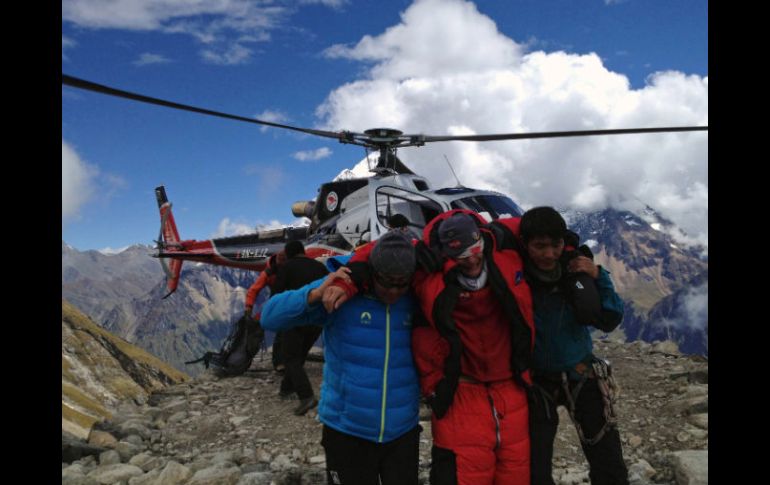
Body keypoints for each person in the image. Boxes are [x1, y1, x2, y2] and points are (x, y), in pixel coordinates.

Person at [325, 210, 535, 485]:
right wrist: (349, 278)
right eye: (460, 255)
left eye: (474, 249)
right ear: (446, 253)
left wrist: (574, 249)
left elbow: (542, 228)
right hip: (461, 391)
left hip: (510, 388)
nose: (471, 259)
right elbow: (383, 252)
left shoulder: (503, 243)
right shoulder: (427, 264)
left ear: (481, 238)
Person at [261, 231, 422, 485]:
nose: (393, 291)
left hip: (402, 433)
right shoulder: (340, 294)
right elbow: (269, 317)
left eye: (401, 283)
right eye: (386, 282)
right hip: (346, 433)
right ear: (371, 273)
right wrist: (314, 293)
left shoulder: (417, 296)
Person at [516, 206, 628, 485]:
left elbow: (609, 319)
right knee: (535, 470)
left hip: (580, 374)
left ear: (563, 243)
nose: (549, 254)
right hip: (538, 381)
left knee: (608, 460)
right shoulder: (514, 277)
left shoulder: (578, 272)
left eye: (555, 245)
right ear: (525, 244)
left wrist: (598, 275)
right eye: (539, 246)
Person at [271, 240, 329, 415]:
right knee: (299, 354)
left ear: (288, 254)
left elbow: (276, 294)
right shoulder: (319, 267)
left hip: (296, 317)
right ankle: (287, 388)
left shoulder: (287, 268)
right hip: (317, 320)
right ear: (303, 251)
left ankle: (306, 397)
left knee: (290, 357)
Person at [244, 250, 286, 372]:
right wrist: (248, 307)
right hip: (279, 301)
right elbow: (253, 290)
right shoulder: (268, 273)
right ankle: (279, 362)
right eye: (281, 261)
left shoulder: (286, 269)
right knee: (282, 330)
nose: (283, 264)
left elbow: (253, 290)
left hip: (284, 299)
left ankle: (283, 361)